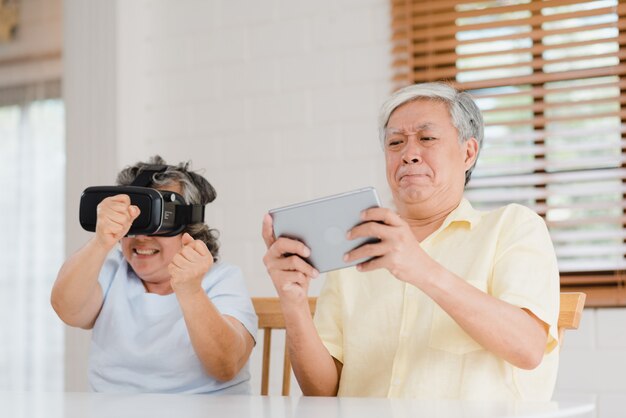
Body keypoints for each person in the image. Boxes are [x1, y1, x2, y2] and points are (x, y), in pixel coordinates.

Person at [262, 82, 560, 400]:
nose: (409, 155)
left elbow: (528, 348)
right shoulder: (357, 247)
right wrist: (292, 301)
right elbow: (322, 392)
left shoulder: (512, 226)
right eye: (395, 143)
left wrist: (420, 268)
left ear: (468, 152)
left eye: (427, 138)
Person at [51, 156, 257, 394]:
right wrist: (101, 241)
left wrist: (191, 291)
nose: (142, 237)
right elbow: (68, 310)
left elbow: (225, 366)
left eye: (157, 221)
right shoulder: (112, 272)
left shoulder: (222, 280)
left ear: (189, 227)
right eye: (134, 223)